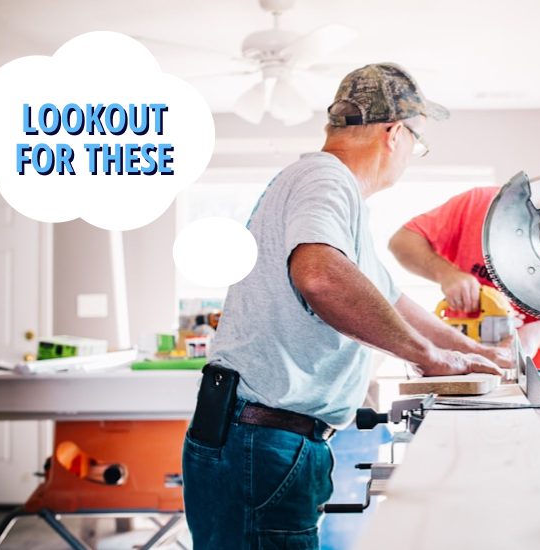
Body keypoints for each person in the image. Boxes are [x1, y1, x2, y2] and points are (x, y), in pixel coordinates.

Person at [181, 63, 509, 550]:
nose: (411, 156)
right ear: (394, 133)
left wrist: (469, 351)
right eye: (418, 144)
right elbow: (319, 276)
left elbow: (389, 297)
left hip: (262, 438)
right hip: (263, 441)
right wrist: (430, 357)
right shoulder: (325, 178)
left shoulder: (330, 191)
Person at [388, 159, 540, 375]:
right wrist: (446, 273)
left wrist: (536, 334)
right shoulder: (480, 204)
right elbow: (402, 242)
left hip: (534, 378)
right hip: (457, 365)